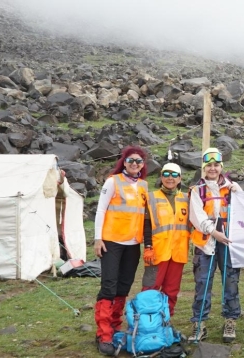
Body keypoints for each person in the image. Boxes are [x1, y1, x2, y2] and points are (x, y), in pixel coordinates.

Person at [93, 146, 149, 356]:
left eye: (139, 161)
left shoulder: (143, 185)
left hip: (133, 243)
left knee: (124, 286)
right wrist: (98, 238)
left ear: (143, 165)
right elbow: (100, 209)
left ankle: (114, 327)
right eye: (131, 160)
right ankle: (103, 334)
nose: (135, 164)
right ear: (124, 162)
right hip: (112, 241)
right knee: (109, 286)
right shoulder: (112, 181)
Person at [188, 148, 242, 344]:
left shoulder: (232, 188)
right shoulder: (197, 190)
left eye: (216, 165)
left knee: (231, 281)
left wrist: (242, 192)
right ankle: (199, 322)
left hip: (228, 242)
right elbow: (197, 216)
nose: (212, 168)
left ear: (221, 167)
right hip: (206, 242)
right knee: (203, 282)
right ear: (204, 167)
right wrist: (214, 232)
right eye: (209, 165)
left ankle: (230, 320)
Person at [141, 163, 189, 317]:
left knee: (172, 290)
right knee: (150, 289)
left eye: (174, 175)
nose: (170, 178)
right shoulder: (151, 197)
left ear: (180, 178)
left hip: (178, 253)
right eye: (166, 174)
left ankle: (165, 323)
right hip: (156, 252)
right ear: (161, 177)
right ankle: (146, 324)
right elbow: (146, 224)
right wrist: (148, 246)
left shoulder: (187, 198)